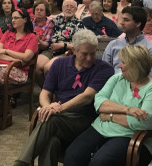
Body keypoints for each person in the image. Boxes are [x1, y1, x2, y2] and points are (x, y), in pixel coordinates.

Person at [13, 29, 115, 166]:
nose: (90, 58)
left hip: (84, 118)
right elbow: (45, 93)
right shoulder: (59, 64)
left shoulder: (104, 69)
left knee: (51, 120)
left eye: (93, 53)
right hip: (60, 116)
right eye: (85, 54)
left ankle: (21, 163)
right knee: (51, 141)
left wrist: (58, 109)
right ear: (74, 51)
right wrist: (48, 106)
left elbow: (87, 97)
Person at [64, 45, 152, 166]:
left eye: (124, 62)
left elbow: (145, 122)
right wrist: (127, 110)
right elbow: (99, 101)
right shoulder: (117, 79)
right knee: (73, 154)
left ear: (136, 65)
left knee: (100, 163)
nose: (119, 65)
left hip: (132, 138)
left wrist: (110, 116)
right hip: (101, 128)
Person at [103, 6, 152, 79]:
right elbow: (104, 73)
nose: (121, 23)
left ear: (138, 24)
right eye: (122, 19)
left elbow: (150, 80)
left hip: (137, 89)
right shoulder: (113, 45)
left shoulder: (151, 50)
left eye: (126, 20)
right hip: (112, 87)